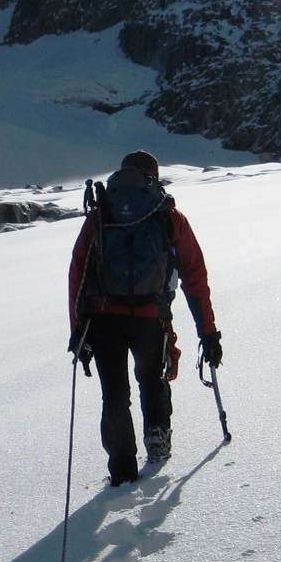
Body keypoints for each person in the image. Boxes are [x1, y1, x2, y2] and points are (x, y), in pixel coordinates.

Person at [67, 150, 222, 486]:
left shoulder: (100, 214)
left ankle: (122, 470)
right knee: (151, 378)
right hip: (150, 316)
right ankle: (157, 440)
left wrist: (77, 329)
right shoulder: (166, 214)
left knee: (114, 393)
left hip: (104, 318)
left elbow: (78, 273)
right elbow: (194, 276)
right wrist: (207, 331)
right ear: (153, 176)